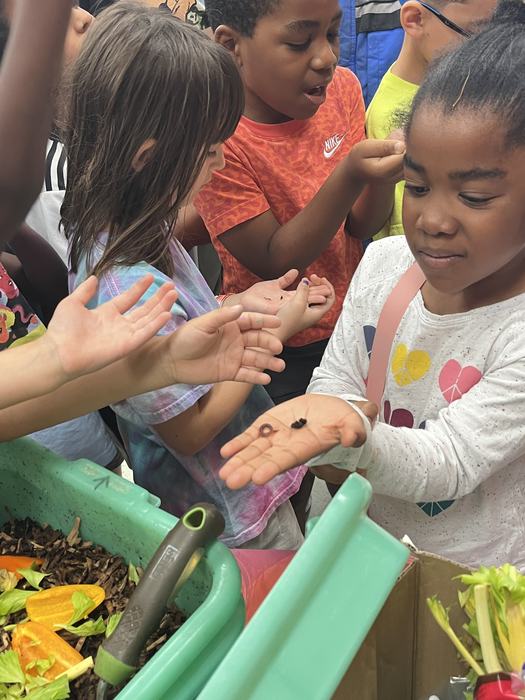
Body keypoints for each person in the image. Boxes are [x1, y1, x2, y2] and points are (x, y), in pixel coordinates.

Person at [218, 2, 525, 569]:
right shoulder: (385, 263)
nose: (432, 219)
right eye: (418, 185)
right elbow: (339, 374)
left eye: (475, 197)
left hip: (477, 576)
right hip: (372, 546)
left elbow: (451, 461)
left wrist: (355, 433)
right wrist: (326, 416)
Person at [65, 4, 335, 548]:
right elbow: (187, 430)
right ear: (149, 158)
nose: (218, 164)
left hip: (242, 484)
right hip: (223, 515)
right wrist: (269, 336)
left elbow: (188, 321)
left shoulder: (136, 225)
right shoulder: (123, 291)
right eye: (210, 151)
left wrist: (238, 301)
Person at [198, 0, 405, 407]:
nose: (326, 58)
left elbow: (361, 225)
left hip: (353, 323)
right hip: (276, 342)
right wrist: (350, 174)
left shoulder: (341, 91)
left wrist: (381, 178)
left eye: (331, 34)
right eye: (298, 42)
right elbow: (276, 260)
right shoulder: (217, 139)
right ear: (231, 46)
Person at [366, 0, 496, 239]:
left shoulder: (468, 83)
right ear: (415, 19)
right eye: (475, 35)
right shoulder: (392, 121)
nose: (486, 52)